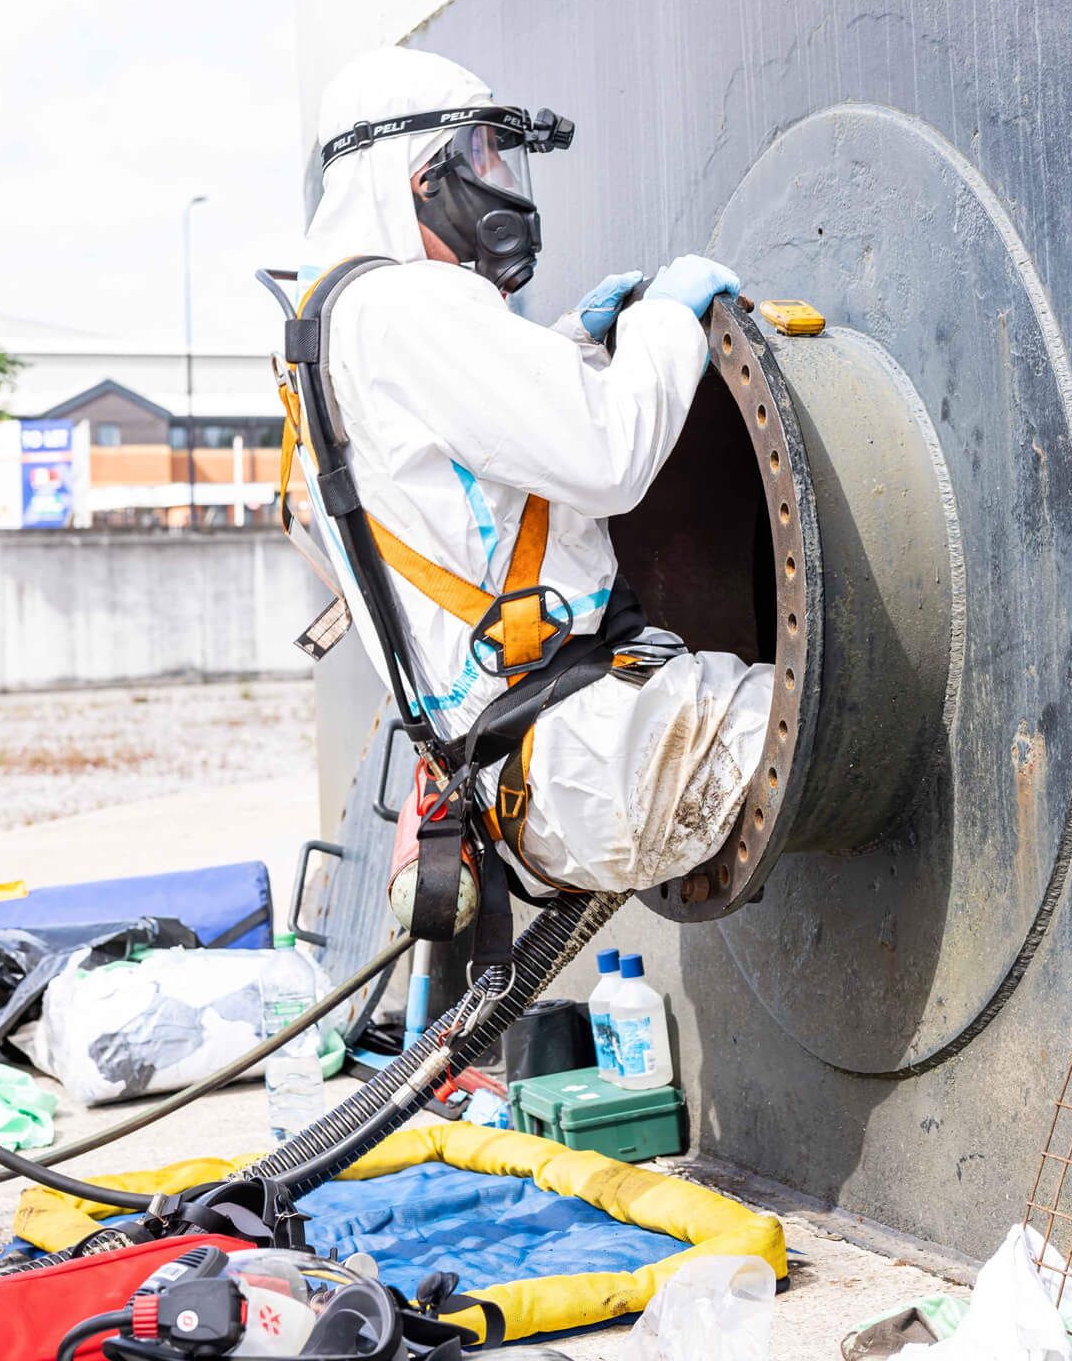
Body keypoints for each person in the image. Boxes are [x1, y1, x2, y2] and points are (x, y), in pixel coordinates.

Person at [292, 45, 771, 895]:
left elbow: (458, 473)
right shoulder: (409, 305)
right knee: (869, 718)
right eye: (480, 152)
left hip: (524, 781)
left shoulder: (330, 326)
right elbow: (609, 458)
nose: (499, 178)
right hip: (605, 749)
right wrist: (666, 321)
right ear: (419, 175)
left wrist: (568, 350)